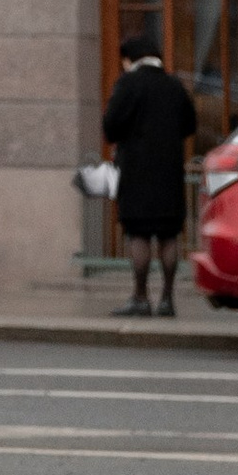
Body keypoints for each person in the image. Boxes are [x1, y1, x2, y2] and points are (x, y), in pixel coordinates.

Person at [101, 30, 197, 317]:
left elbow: (110, 127)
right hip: (169, 171)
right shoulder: (174, 85)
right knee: (168, 236)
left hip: (136, 171)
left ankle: (140, 297)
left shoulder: (128, 84)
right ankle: (167, 299)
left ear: (130, 58)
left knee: (139, 234)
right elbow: (189, 125)